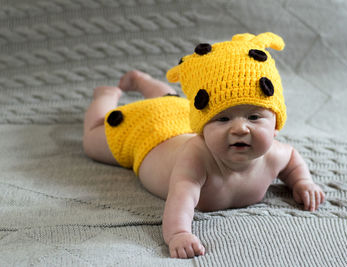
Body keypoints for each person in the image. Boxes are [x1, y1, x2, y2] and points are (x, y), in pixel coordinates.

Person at [83, 32, 325, 259]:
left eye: (253, 117)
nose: (240, 128)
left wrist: (303, 181)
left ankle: (143, 81)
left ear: (275, 125)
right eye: (223, 118)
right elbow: (181, 198)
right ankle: (105, 96)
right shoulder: (197, 158)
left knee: (172, 101)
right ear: (202, 129)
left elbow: (293, 158)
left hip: (179, 115)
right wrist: (178, 233)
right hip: (148, 133)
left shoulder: (275, 154)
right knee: (93, 138)